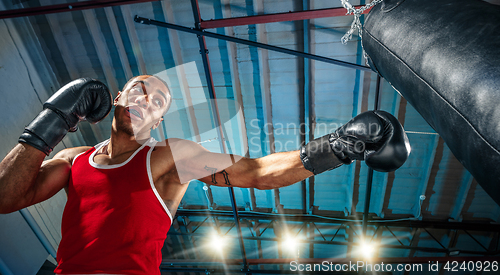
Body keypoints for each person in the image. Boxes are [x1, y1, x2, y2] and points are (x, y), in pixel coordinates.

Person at [0, 75, 410, 274]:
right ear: (118, 98)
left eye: (158, 101)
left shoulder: (168, 157)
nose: (147, 100)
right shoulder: (74, 159)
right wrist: (54, 118)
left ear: (159, 119)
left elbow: (257, 172)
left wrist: (342, 144)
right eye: (140, 90)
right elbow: (7, 198)